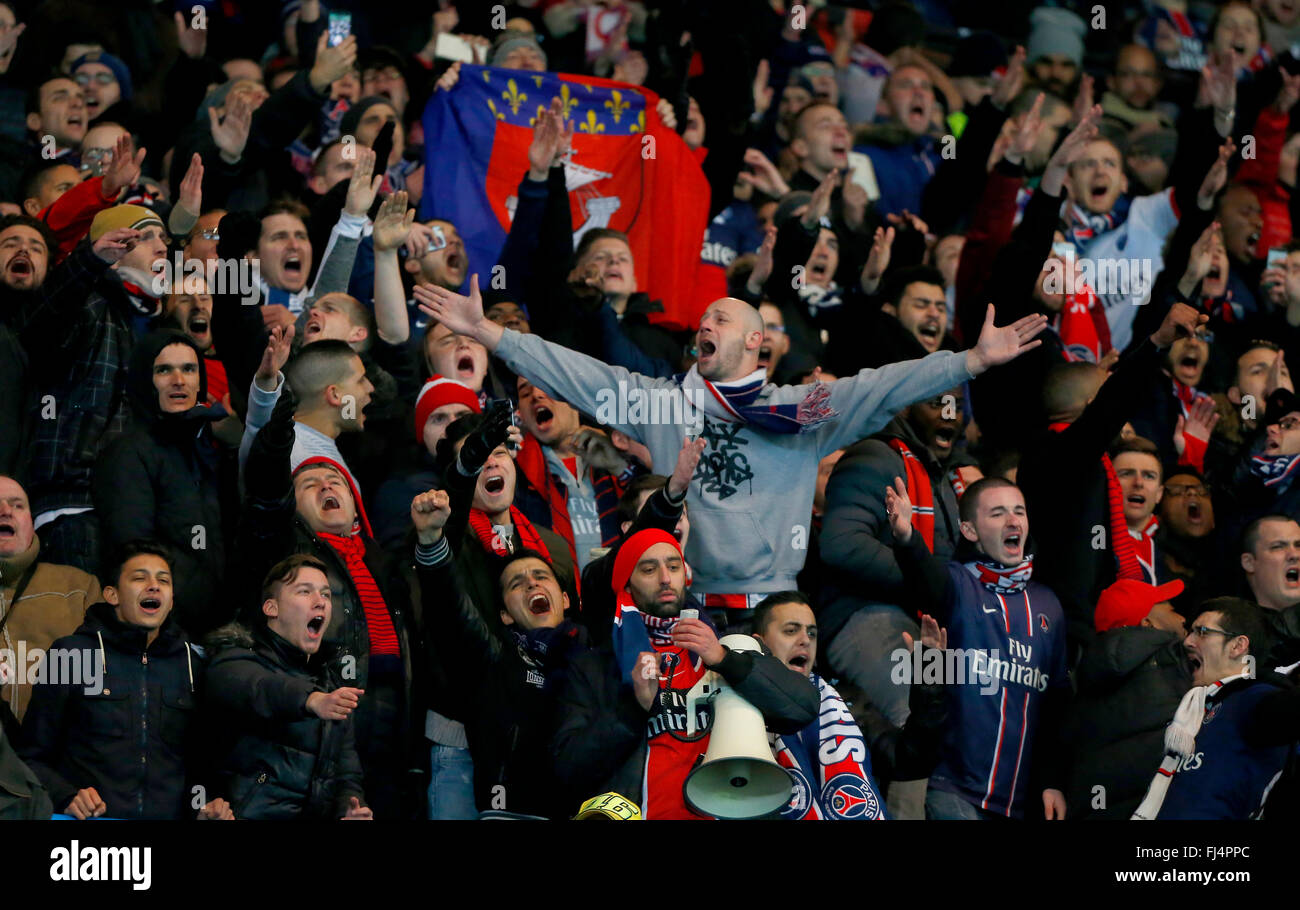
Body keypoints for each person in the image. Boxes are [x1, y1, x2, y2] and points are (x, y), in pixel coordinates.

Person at [417, 276, 1047, 630]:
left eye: (720, 316)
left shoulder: (802, 414)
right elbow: (581, 375)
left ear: (756, 340)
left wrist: (969, 362)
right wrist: (491, 334)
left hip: (777, 616)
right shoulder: (665, 404)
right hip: (685, 611)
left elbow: (882, 385)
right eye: (703, 319)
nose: (705, 324)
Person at [551, 528, 818, 818]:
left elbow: (802, 707)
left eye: (674, 566)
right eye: (649, 569)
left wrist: (724, 659)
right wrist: (633, 708)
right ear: (627, 586)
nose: (665, 578)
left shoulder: (724, 647)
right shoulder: (595, 666)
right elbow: (567, 770)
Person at [886, 476, 1069, 820]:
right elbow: (926, 581)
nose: (1013, 521)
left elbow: (1056, 706)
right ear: (969, 530)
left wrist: (1052, 781)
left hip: (1019, 802)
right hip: (953, 789)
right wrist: (907, 538)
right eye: (998, 514)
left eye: (1019, 511)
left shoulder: (1049, 605)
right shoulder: (957, 583)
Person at [18, 541, 232, 820]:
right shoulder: (70, 654)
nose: (154, 586)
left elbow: (202, 767)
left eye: (164, 581)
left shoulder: (194, 664)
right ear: (112, 594)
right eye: (139, 577)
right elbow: (29, 756)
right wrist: (66, 795)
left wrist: (205, 808)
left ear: (172, 600)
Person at [412, 487, 589, 819]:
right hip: (508, 812)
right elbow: (450, 608)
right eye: (516, 583)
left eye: (541, 577)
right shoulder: (494, 657)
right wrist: (431, 540)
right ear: (505, 614)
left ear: (565, 599)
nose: (532, 585)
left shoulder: (594, 659)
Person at [204, 554, 371, 820]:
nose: (321, 602)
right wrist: (311, 700)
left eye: (326, 595)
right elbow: (259, 688)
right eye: (304, 592)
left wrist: (349, 809)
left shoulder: (332, 686)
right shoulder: (235, 659)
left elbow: (346, 772)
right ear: (271, 608)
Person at [92, 330, 236, 637]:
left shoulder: (212, 448)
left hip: (217, 631)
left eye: (188, 369)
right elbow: (131, 550)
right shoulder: (127, 452)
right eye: (163, 370)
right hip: (165, 634)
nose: (178, 381)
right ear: (145, 380)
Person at [752, 592, 946, 819]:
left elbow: (908, 761)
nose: (805, 640)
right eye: (791, 630)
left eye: (812, 633)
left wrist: (930, 681)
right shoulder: (734, 701)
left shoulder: (843, 698)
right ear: (760, 641)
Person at [1133, 597, 1293, 819]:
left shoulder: (1254, 698)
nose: (1187, 641)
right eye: (1190, 631)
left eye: (1202, 631)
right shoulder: (1191, 709)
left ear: (1237, 646)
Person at [1062, 578, 1193, 819]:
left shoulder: (1087, 678)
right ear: (1147, 623)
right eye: (1171, 609)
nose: (1183, 618)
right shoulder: (1173, 663)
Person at [0, 475, 100, 728]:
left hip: (58, 759)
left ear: (32, 523)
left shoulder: (80, 588)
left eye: (17, 505)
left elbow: (108, 684)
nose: (5, 512)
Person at [1239, 514, 1300, 666]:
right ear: (1249, 562)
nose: (1294, 554)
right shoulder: (1238, 641)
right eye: (1278, 546)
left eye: (1299, 545)